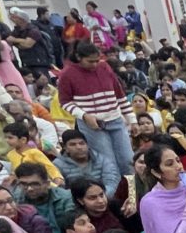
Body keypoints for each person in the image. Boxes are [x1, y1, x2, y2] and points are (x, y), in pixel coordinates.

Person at [56, 43, 133, 189]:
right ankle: (113, 198)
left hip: (115, 119)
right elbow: (65, 102)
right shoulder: (67, 74)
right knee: (109, 164)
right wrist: (84, 115)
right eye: (90, 61)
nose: (95, 64)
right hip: (93, 125)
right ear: (79, 58)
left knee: (128, 161)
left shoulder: (104, 67)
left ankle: (133, 194)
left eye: (97, 60)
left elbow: (119, 94)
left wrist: (131, 119)